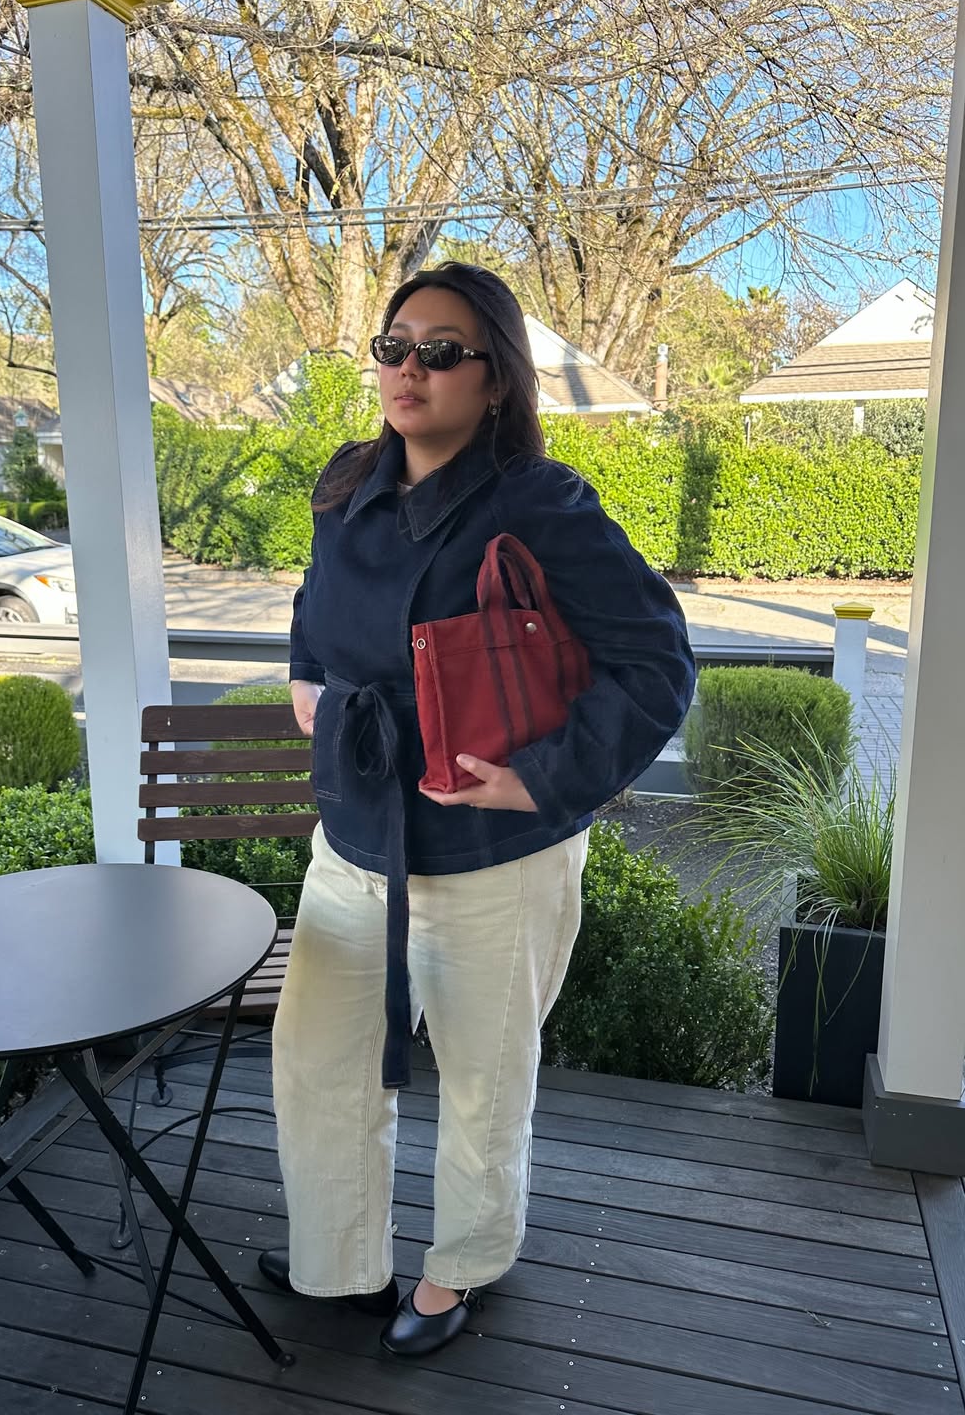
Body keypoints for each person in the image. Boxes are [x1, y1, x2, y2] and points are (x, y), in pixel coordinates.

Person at [259, 262, 695, 1358]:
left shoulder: (541, 502)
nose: (411, 368)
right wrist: (308, 683)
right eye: (395, 344)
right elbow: (313, 617)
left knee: (485, 1079)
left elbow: (654, 659)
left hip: (495, 853)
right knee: (320, 1061)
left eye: (442, 350)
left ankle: (462, 1268)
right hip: (356, 837)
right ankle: (341, 1259)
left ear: (495, 378)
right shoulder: (347, 482)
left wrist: (543, 777)